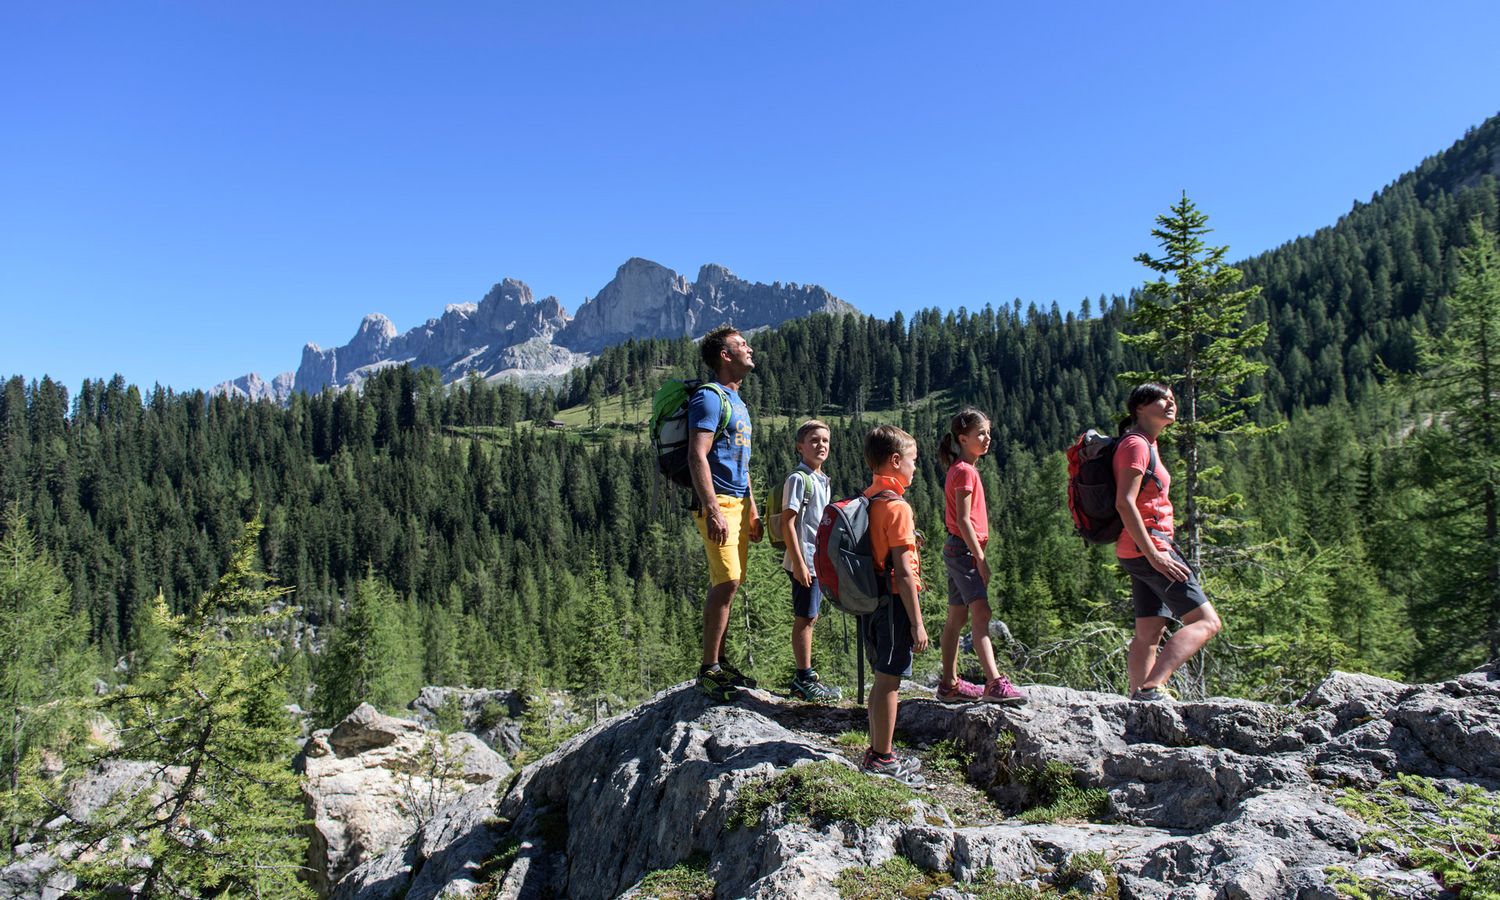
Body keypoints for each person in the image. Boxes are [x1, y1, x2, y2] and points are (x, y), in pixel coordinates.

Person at [1113, 382, 1224, 702]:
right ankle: (1152, 686)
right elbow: (1125, 502)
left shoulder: (1146, 443)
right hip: (1149, 547)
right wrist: (1154, 555)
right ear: (1140, 408)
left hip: (1138, 547)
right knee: (1206, 621)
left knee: (1149, 632)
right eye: (1162, 399)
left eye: (1172, 398)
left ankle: (1138, 698)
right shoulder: (1136, 445)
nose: (1170, 403)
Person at [689, 326, 763, 702]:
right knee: (727, 580)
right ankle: (708, 670)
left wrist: (752, 510)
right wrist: (712, 509)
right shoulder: (710, 397)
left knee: (731, 584)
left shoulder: (740, 403)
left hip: (737, 504)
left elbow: (742, 464)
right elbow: (696, 454)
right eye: (741, 344)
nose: (749, 348)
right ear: (724, 355)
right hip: (716, 504)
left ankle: (719, 660)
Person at [935, 409, 1026, 705]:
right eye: (981, 434)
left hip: (956, 548)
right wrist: (980, 559)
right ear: (963, 439)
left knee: (957, 617)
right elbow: (963, 520)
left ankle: (949, 684)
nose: (987, 439)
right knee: (981, 614)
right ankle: (994, 683)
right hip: (964, 549)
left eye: (988, 432)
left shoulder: (963, 469)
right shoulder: (964, 471)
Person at [858, 425, 929, 786]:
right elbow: (903, 571)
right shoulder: (897, 507)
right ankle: (882, 758)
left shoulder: (869, 498)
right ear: (896, 461)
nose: (916, 468)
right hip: (896, 604)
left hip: (873, 603)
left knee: (881, 677)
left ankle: (877, 749)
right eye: (913, 461)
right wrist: (917, 623)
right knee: (890, 680)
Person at [779, 420, 840, 702]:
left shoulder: (821, 479)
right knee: (805, 616)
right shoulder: (798, 479)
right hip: (804, 560)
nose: (821, 446)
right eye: (814, 440)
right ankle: (803, 677)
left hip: (816, 561)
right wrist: (801, 563)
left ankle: (806, 676)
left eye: (825, 441)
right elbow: (788, 523)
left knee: (811, 615)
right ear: (799, 447)